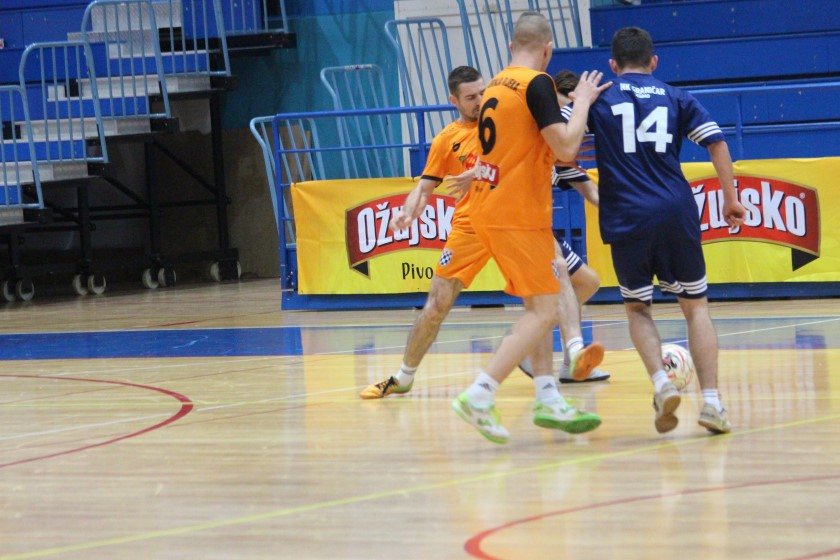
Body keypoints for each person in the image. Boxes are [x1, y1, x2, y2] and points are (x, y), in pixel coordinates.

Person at [359, 65, 606, 401]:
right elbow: (424, 186)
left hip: (513, 217)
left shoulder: (507, 116)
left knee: (572, 275)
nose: (479, 101)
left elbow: (525, 151)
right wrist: (407, 210)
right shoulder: (446, 140)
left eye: (482, 93)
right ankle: (403, 376)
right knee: (436, 304)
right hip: (470, 225)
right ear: (454, 101)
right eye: (470, 97)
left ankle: (562, 352)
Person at [565, 26, 746, 434]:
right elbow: (717, 142)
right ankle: (712, 403)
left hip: (627, 215)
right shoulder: (677, 97)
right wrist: (730, 199)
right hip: (675, 211)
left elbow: (559, 141)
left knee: (638, 308)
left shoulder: (600, 98)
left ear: (613, 65)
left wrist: (580, 102)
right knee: (696, 307)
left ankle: (662, 384)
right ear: (654, 61)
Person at [451, 11, 610, 443]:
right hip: (517, 214)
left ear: (511, 45)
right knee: (544, 311)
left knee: (537, 305)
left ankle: (547, 396)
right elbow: (566, 148)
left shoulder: (496, 85)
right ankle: (481, 393)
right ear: (548, 49)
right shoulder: (537, 84)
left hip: (492, 207)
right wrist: (582, 102)